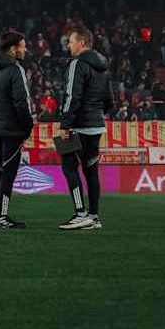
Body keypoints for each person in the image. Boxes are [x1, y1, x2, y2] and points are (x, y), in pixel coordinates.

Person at [57, 27, 114, 231]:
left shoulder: (77, 64)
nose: (68, 45)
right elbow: (110, 101)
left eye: (71, 41)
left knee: (68, 165)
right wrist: (97, 116)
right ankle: (94, 216)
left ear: (82, 43)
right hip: (96, 126)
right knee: (91, 170)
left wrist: (65, 124)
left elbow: (73, 96)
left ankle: (80, 214)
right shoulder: (104, 67)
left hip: (77, 126)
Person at [0, 31, 33, 229]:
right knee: (8, 173)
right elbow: (21, 102)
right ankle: (3, 215)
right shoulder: (15, 70)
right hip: (13, 129)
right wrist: (27, 125)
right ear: (13, 49)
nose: (25, 49)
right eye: (22, 46)